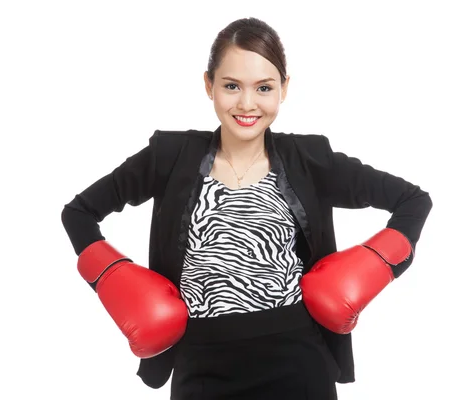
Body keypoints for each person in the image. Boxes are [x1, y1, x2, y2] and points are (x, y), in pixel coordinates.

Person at [61, 17, 433, 400]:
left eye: (264, 88)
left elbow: (412, 201)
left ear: (284, 89)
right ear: (209, 84)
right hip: (202, 366)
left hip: (299, 364)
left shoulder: (310, 159)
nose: (247, 103)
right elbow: (79, 213)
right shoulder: (169, 157)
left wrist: (371, 269)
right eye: (231, 85)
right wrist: (116, 282)